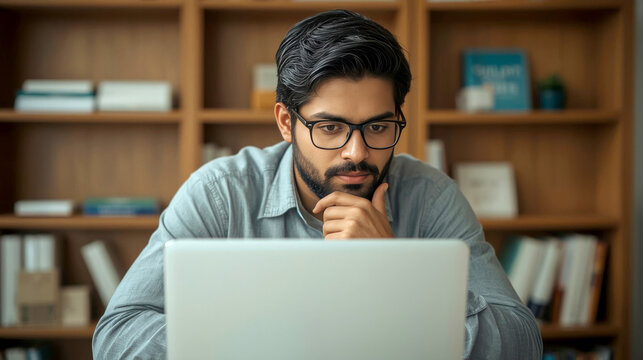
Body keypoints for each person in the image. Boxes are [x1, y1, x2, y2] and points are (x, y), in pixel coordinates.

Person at [93, 9, 542, 359]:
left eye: (379, 126)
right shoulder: (220, 192)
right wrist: (275, 342)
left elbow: (523, 345)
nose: (357, 152)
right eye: (330, 128)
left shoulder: (432, 197)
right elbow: (117, 338)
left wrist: (392, 273)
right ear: (286, 122)